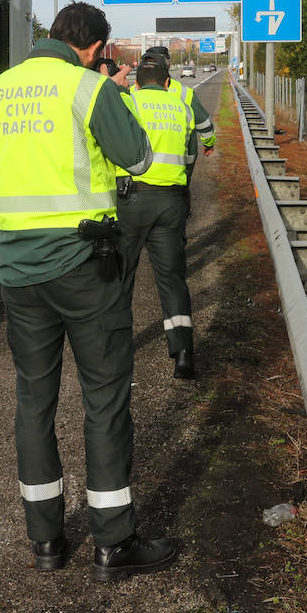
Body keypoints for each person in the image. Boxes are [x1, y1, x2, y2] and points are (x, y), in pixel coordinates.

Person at [0, 1, 177, 582]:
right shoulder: (89, 89)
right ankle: (113, 544)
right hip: (83, 266)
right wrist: (108, 94)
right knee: (104, 398)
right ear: (94, 48)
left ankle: (45, 541)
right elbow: (139, 157)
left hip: (16, 269)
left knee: (34, 400)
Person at [116, 54, 199, 379]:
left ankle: (118, 349)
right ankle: (183, 354)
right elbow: (190, 155)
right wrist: (181, 187)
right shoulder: (181, 107)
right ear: (168, 82)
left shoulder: (129, 102)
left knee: (122, 276)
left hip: (132, 200)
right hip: (171, 202)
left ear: (137, 82)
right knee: (172, 279)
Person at [139, 46, 215, 178]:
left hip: (136, 177)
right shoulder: (184, 92)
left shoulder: (132, 92)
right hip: (174, 177)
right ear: (168, 65)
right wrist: (208, 145)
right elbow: (204, 125)